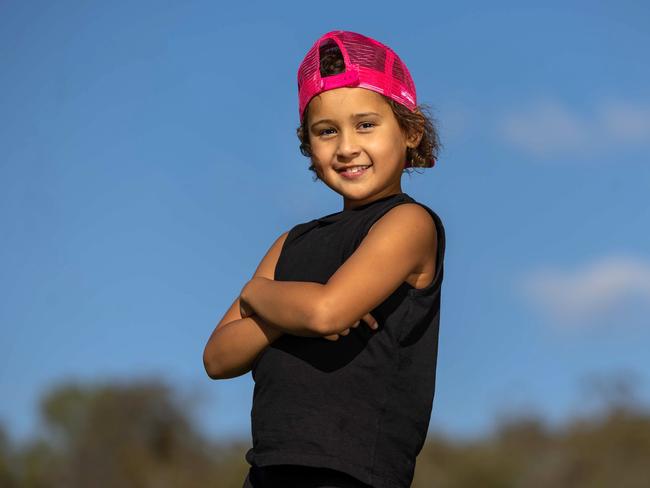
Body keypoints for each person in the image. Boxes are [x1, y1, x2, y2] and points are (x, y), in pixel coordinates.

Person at [203, 30, 446, 488]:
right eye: (326, 131)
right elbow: (217, 357)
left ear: (410, 132)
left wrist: (259, 296)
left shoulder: (408, 223)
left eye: (366, 125)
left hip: (351, 475)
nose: (346, 146)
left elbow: (327, 311)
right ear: (308, 147)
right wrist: (282, 313)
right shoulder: (289, 244)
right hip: (267, 472)